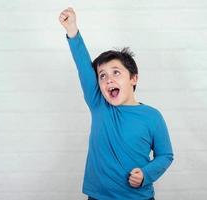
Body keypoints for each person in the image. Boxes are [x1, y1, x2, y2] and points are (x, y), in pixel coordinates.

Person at [59, 7, 173, 200]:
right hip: (98, 197)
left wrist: (146, 174)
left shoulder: (152, 116)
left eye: (116, 72)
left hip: (138, 197)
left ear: (133, 78)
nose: (108, 79)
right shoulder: (99, 105)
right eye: (102, 76)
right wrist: (72, 30)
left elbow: (165, 155)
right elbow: (83, 66)